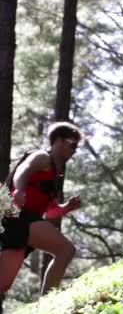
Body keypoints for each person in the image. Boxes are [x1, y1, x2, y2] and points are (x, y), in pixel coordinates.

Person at [0, 122, 83, 312]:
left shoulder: (55, 174)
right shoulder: (42, 157)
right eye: (72, 144)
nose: (74, 150)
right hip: (16, 216)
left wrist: (66, 208)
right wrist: (19, 189)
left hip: (25, 222)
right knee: (65, 250)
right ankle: (48, 306)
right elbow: (23, 170)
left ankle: (46, 305)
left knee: (1, 286)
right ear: (58, 141)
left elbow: (50, 212)